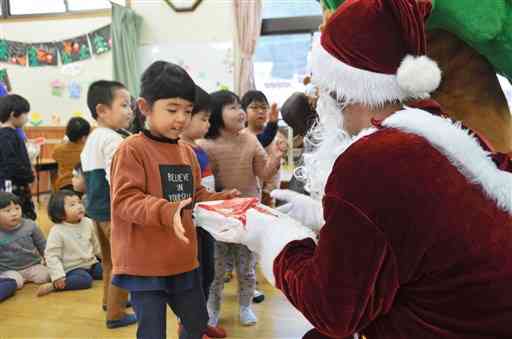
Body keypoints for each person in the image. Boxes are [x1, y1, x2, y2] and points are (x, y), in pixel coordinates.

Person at [205, 1, 512, 338]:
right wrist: (325, 218)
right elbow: (405, 233)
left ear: (339, 91)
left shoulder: (371, 159)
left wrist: (271, 235)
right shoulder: (437, 130)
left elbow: (332, 309)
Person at [110, 61, 239, 339]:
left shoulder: (187, 153)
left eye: (187, 111)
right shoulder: (131, 150)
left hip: (182, 259)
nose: (181, 119)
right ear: (144, 107)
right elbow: (125, 201)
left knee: (196, 322)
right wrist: (166, 211)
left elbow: (194, 196)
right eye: (172, 110)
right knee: (152, 332)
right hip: (144, 264)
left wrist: (220, 200)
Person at [198, 90, 283, 328]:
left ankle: (245, 306)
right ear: (216, 114)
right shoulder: (205, 145)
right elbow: (206, 186)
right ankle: (211, 310)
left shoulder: (249, 139)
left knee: (246, 268)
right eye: (232, 107)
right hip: (218, 218)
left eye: (239, 106)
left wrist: (275, 158)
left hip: (248, 214)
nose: (240, 112)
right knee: (215, 271)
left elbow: (263, 173)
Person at [80, 80, 135, 329]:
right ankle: (116, 314)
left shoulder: (92, 137)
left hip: (95, 208)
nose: (130, 110)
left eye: (130, 105)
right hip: (113, 211)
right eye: (124, 105)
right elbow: (117, 180)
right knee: (123, 263)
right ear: (102, 110)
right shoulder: (114, 139)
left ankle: (108, 301)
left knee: (109, 261)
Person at [37, 190, 102, 296]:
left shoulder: (88, 222)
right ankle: (54, 286)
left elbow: (96, 245)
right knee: (85, 281)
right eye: (72, 205)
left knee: (112, 271)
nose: (79, 206)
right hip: (72, 268)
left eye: (79, 202)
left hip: (92, 264)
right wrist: (57, 276)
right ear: (60, 213)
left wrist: (106, 259)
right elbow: (51, 255)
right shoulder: (57, 231)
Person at [0, 192, 50, 295]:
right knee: (15, 282)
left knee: (45, 276)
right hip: (9, 270)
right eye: (7, 210)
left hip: (33, 265)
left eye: (17, 208)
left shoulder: (30, 225)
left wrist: (48, 259)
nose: (14, 213)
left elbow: (42, 244)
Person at [0, 94, 37, 220]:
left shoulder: (13, 134)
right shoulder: (6, 136)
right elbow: (11, 165)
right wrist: (29, 176)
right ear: (13, 114)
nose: (27, 118)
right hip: (12, 186)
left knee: (26, 215)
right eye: (25, 114)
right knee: (18, 216)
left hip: (19, 184)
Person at [52, 117, 91, 191]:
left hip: (62, 185)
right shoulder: (87, 150)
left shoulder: (59, 149)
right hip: (81, 186)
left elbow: (54, 156)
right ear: (83, 137)